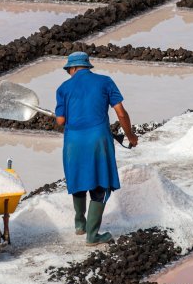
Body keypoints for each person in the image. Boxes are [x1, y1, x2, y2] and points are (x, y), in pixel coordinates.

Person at [55, 51, 138, 246]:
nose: (69, 73)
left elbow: (60, 121)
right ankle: (92, 236)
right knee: (100, 185)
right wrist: (131, 136)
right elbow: (121, 113)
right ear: (87, 66)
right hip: (98, 140)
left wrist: (63, 113)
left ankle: (80, 224)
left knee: (78, 179)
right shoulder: (105, 82)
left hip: (73, 142)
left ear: (73, 68)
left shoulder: (63, 88)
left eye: (69, 70)